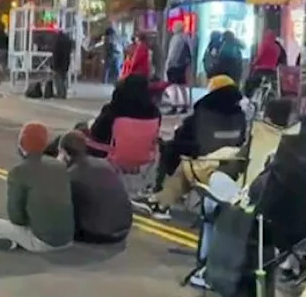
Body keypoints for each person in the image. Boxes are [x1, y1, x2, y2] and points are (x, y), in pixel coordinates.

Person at [134, 74, 247, 220]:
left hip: (204, 164)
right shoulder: (240, 116)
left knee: (173, 152)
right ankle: (159, 199)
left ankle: (159, 199)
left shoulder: (203, 114)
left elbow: (184, 139)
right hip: (230, 166)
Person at [0, 122, 74, 251]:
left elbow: (16, 218)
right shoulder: (59, 166)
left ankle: (16, 243)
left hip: (42, 242)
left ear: (22, 143)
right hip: (67, 240)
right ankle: (18, 241)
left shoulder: (19, 171)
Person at [60, 130, 132, 243]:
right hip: (123, 231)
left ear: (64, 154)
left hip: (97, 234)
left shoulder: (71, 175)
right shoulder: (106, 164)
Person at [85, 74, 162, 155]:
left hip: (110, 155)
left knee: (81, 128)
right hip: (141, 155)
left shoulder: (113, 111)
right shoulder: (155, 113)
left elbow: (97, 133)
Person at [244, 30, 284, 101]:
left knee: (249, 83)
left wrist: (253, 64)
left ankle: (247, 99)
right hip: (272, 72)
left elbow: (259, 56)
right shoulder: (277, 47)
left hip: (260, 70)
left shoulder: (264, 44)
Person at [164, 22, 193, 114]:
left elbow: (173, 53)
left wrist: (168, 64)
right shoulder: (186, 38)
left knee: (173, 87)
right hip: (182, 66)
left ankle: (174, 105)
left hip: (174, 65)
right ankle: (185, 104)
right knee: (182, 87)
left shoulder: (176, 39)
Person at [51, 29, 73, 99]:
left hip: (59, 63)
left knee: (58, 78)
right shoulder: (68, 40)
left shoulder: (58, 42)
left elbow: (56, 54)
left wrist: (54, 65)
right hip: (66, 62)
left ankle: (60, 93)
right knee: (64, 78)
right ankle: (64, 93)